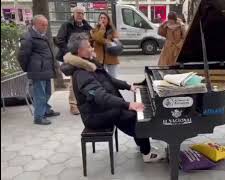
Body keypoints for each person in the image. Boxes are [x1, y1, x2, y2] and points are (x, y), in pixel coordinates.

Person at [60, 33, 165, 162]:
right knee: (134, 116)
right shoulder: (81, 73)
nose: (92, 48)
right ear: (79, 51)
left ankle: (141, 144)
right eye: (89, 46)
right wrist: (127, 104)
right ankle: (147, 153)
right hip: (94, 115)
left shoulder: (89, 63)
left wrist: (128, 86)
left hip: (100, 109)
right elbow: (100, 97)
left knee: (133, 114)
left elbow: (109, 80)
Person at [17, 15, 60, 125]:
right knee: (40, 94)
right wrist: (28, 68)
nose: (45, 27)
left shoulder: (42, 35)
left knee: (47, 93)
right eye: (43, 24)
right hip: (37, 71)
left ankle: (45, 110)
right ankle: (39, 117)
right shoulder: (28, 37)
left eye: (46, 24)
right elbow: (22, 56)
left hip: (45, 70)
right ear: (35, 24)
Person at [55, 6, 92, 115]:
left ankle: (82, 103)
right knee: (74, 80)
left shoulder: (86, 26)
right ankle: (73, 105)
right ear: (73, 14)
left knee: (83, 80)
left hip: (83, 57)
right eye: (78, 13)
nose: (80, 15)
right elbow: (59, 40)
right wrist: (71, 52)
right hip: (71, 57)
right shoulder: (66, 25)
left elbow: (90, 40)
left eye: (82, 13)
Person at [90, 12, 120, 78]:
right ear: (99, 20)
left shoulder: (113, 30)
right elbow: (97, 38)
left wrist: (106, 41)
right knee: (101, 78)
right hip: (99, 58)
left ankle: (113, 88)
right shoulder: (94, 30)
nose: (103, 19)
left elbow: (116, 42)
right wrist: (102, 29)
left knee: (113, 77)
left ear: (108, 20)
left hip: (111, 57)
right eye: (101, 18)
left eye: (104, 18)